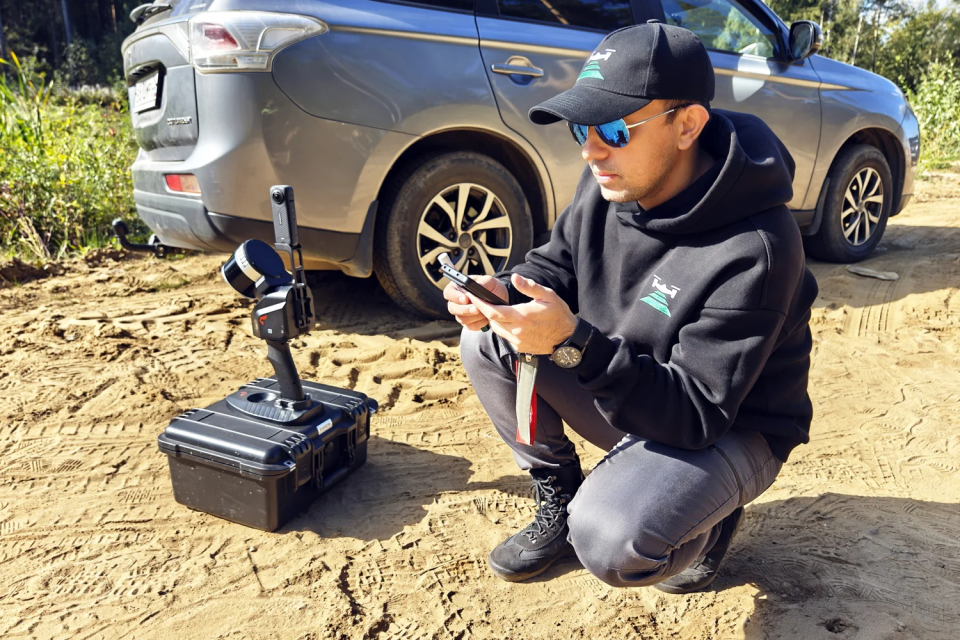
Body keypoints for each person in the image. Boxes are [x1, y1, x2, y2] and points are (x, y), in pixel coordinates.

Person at [446, 20, 819, 593]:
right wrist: (503, 292)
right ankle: (559, 493)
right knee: (488, 339)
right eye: (582, 128)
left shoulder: (757, 249)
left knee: (609, 537)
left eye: (615, 129)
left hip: (727, 426)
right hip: (635, 385)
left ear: (687, 125)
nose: (591, 150)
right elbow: (555, 266)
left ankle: (709, 516)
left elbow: (696, 413)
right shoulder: (609, 182)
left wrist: (571, 343)